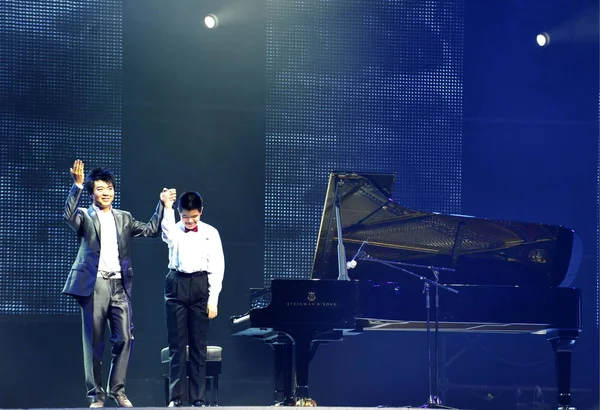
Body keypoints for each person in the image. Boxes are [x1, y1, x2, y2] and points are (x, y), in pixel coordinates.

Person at [63, 159, 170, 408]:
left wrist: (163, 205)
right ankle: (96, 395)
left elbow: (151, 229)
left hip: (120, 286)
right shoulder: (84, 216)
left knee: (124, 338)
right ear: (92, 193)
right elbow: (68, 215)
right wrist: (76, 186)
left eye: (109, 188)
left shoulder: (124, 217)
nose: (106, 193)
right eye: (100, 189)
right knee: (94, 342)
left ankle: (118, 390)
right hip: (94, 285)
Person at [160, 190, 225, 407]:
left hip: (200, 284)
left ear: (201, 212)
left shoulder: (211, 233)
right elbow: (167, 233)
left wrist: (213, 299)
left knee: (199, 344)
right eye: (185, 217)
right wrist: (167, 207)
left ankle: (198, 398)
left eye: (194, 217)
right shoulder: (173, 229)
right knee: (177, 344)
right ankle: (176, 398)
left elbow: (217, 266)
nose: (189, 221)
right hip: (176, 283)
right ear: (179, 213)